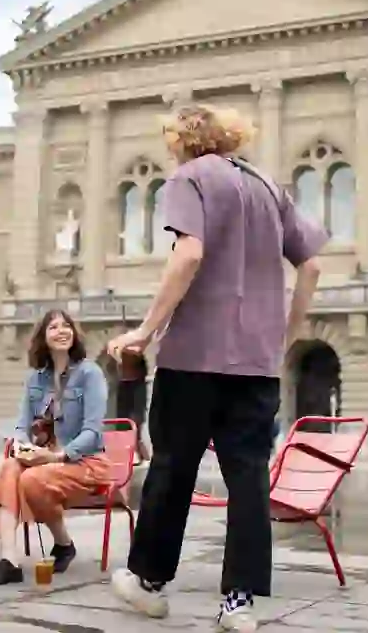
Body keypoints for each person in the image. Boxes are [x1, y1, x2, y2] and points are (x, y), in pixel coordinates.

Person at [106, 104, 327, 631]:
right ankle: (238, 603)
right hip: (257, 364)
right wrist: (286, 334)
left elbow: (188, 255)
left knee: (172, 468)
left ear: (182, 141)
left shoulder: (190, 178)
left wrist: (145, 330)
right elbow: (313, 265)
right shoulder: (268, 187)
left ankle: (148, 583)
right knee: (248, 478)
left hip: (193, 356)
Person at [0, 309, 111, 587]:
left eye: (66, 326)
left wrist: (57, 455)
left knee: (32, 479)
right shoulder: (35, 380)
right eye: (53, 327)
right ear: (43, 337)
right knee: (10, 466)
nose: (61, 331)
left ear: (74, 333)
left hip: (84, 462)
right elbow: (21, 425)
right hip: (44, 461)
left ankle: (63, 543)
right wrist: (22, 446)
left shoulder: (91, 374)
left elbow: (93, 432)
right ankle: (8, 560)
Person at [116, 350, 152, 464]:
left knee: (137, 419)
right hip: (124, 384)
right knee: (123, 420)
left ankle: (136, 450)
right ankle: (128, 450)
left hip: (138, 382)